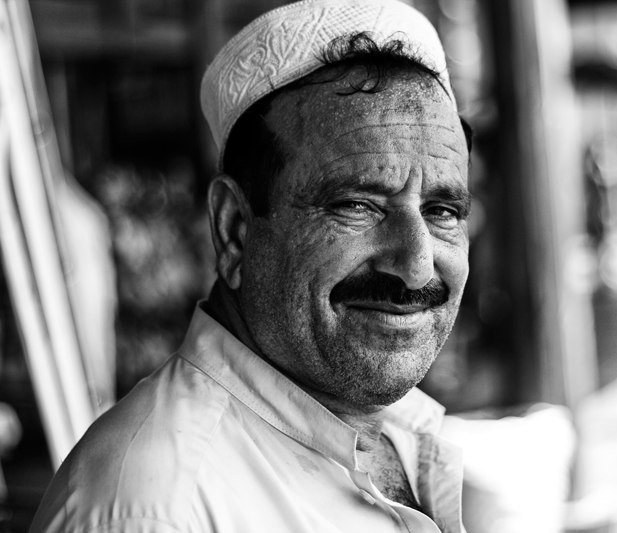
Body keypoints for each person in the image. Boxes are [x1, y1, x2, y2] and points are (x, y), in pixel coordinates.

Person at [29, 0, 472, 531]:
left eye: (442, 211)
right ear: (235, 230)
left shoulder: (391, 435)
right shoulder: (158, 508)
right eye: (358, 205)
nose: (418, 267)